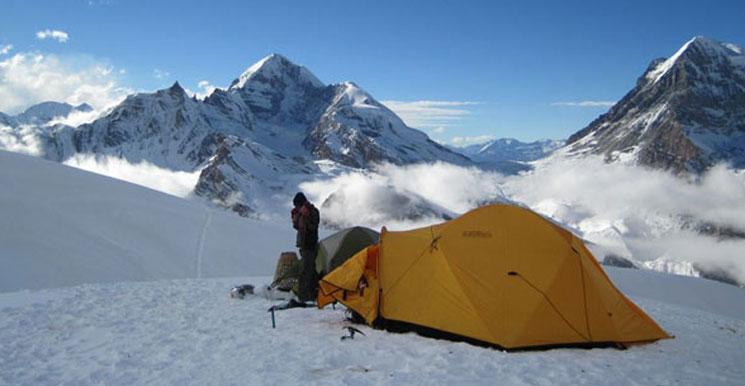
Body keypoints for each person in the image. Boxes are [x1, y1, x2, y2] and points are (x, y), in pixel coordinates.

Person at [291, 192, 320, 302]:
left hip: (310, 244)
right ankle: (310, 294)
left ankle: (304, 296)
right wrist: (297, 216)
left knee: (307, 270)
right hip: (304, 245)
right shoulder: (299, 213)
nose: (296, 208)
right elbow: (296, 226)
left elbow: (313, 226)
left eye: (297, 205)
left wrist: (306, 216)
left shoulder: (313, 211)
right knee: (309, 269)